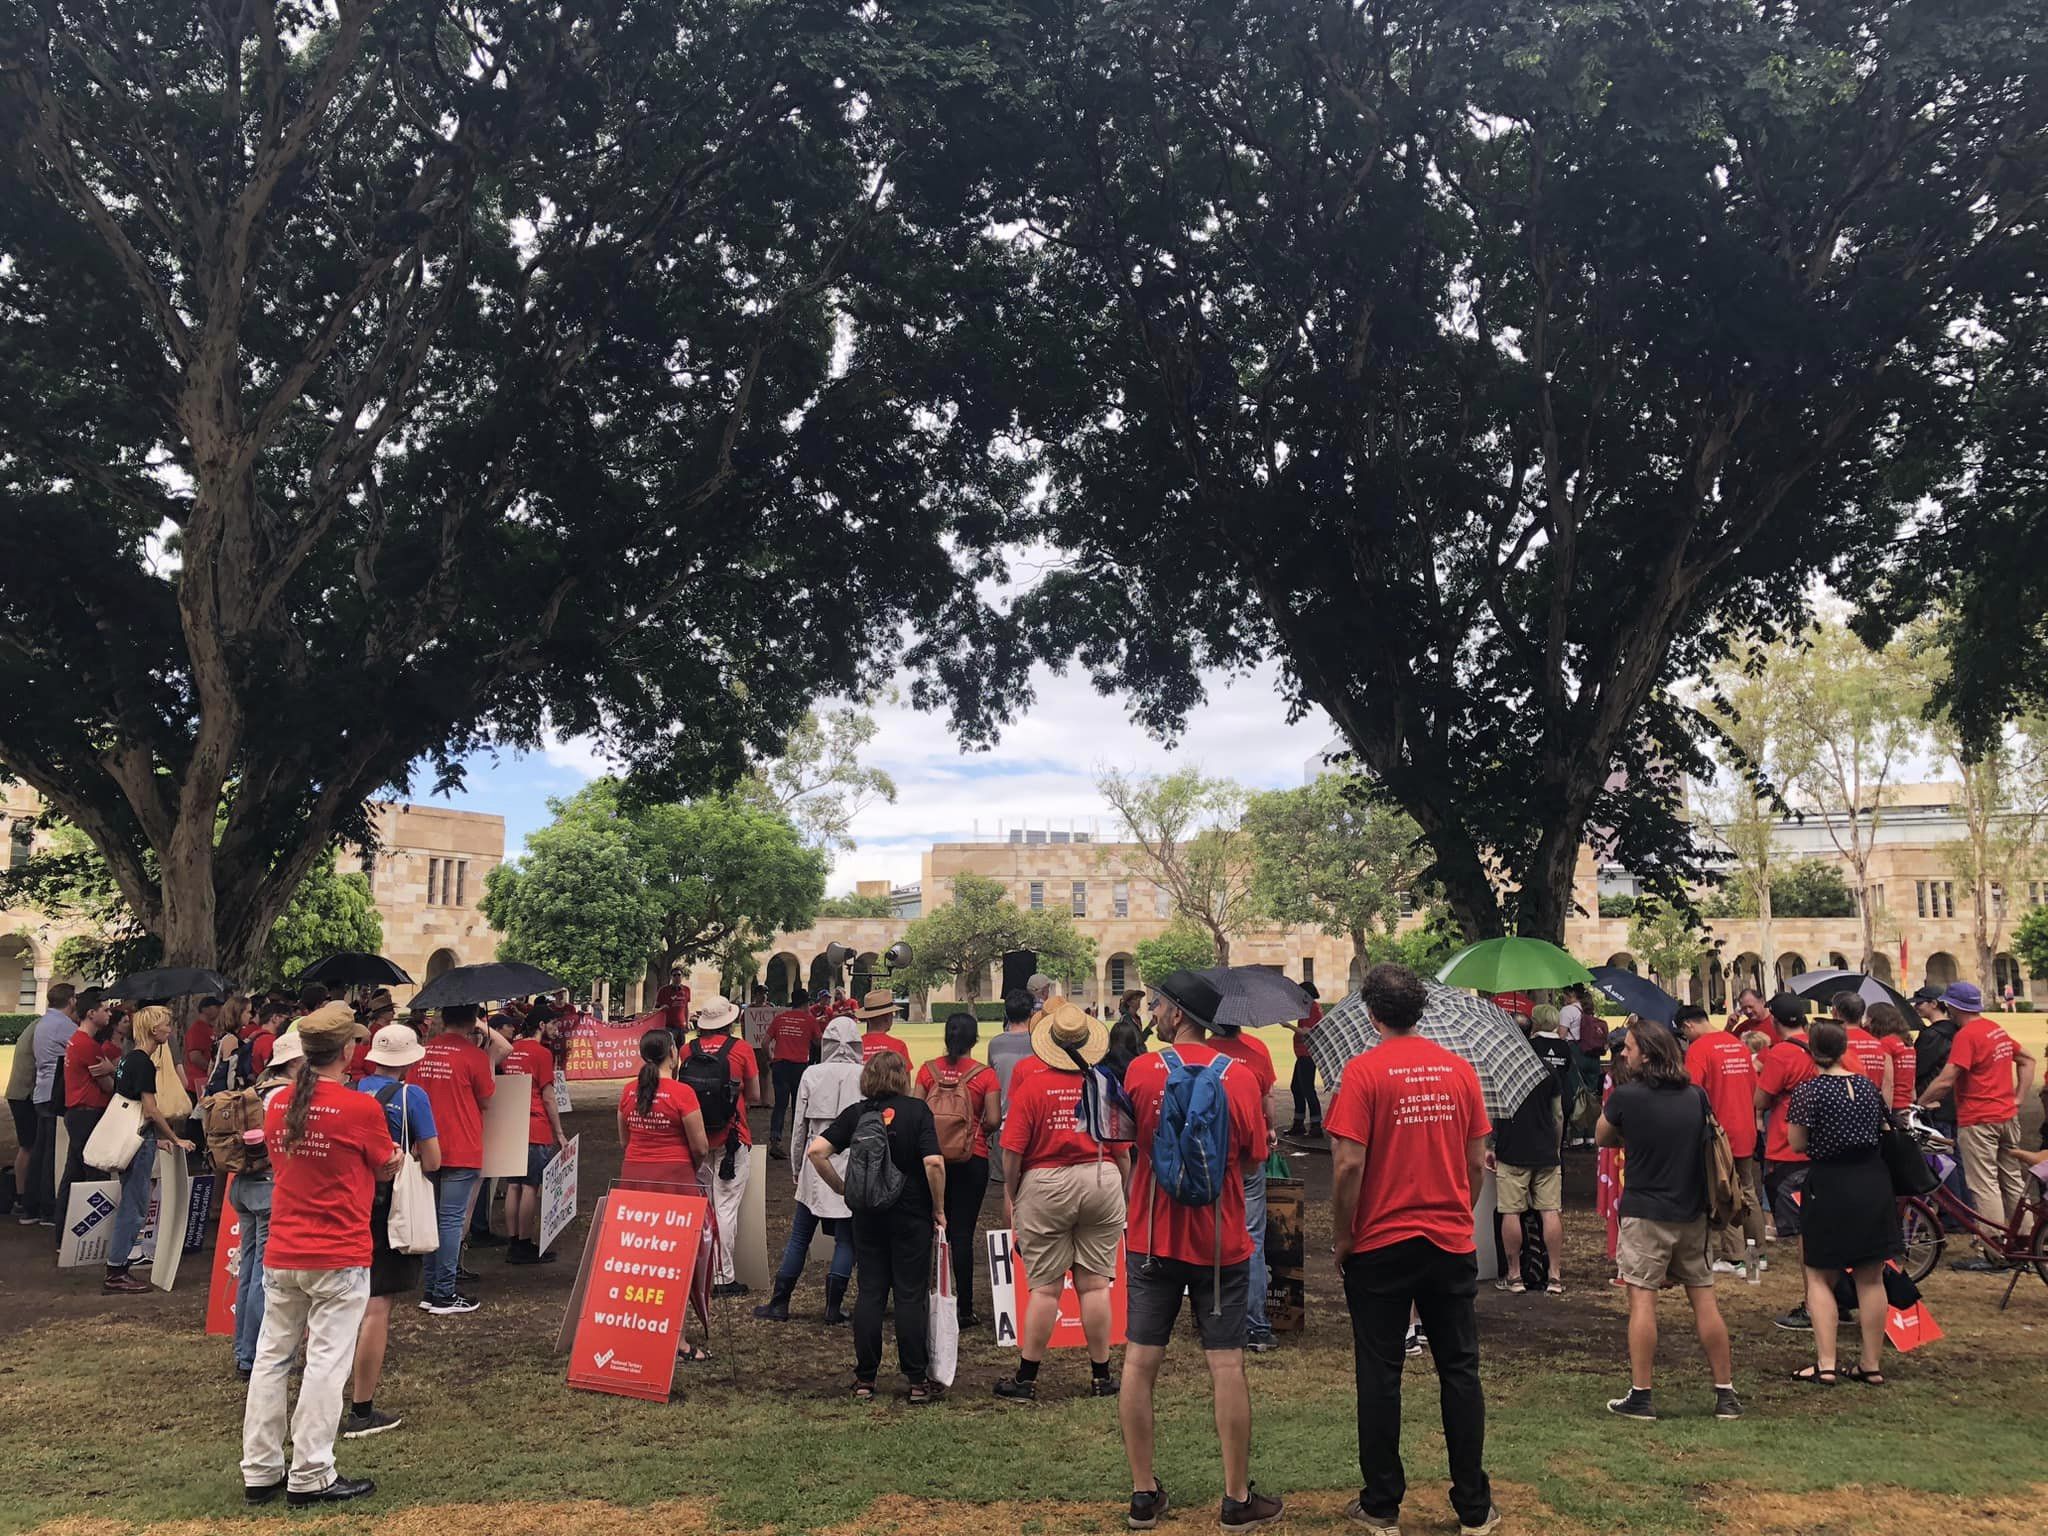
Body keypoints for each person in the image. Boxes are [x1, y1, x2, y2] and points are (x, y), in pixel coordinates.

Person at [1327, 963, 1498, 1536]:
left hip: (1379, 1241)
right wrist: (1458, 1209)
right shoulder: (1459, 1071)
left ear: (1371, 1014)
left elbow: (1349, 1162)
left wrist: (1344, 1233)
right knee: (1459, 1369)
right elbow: (1476, 1163)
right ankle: (1473, 1505)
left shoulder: (1363, 1072)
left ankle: (1381, 1505)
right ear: (1417, 1011)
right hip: (1448, 1239)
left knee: (1380, 1372)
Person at [1121, 971, 1282, 1535]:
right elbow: (1254, 1159)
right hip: (1221, 1242)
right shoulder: (1239, 1078)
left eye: (1159, 1005)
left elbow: (1130, 1143)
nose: (1154, 1013)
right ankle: (1236, 1498)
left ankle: (1144, 1493)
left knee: (1140, 1364)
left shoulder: (1142, 1071)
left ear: (1178, 1014)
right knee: (1227, 1365)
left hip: (1151, 1239)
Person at [240, 1003, 400, 1508]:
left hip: (285, 1248)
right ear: (348, 1050)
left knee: (271, 1359)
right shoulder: (360, 1108)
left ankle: (261, 1468)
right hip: (338, 1249)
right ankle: (311, 1471)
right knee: (326, 1363)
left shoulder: (279, 1102)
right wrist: (393, 1162)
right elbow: (381, 1165)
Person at [1597, 1018, 1741, 1422]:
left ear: (1647, 1053)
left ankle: (1641, 1395)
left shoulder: (1626, 1097)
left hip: (1645, 1212)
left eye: (1628, 1048)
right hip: (1692, 1210)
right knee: (1705, 1299)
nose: (1623, 1054)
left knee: (1642, 1300)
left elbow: (1602, 1136)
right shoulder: (1695, 1096)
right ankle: (1725, 1393)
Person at [995, 1000, 1130, 1401]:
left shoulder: (1033, 1084)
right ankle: (1101, 1376)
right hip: (1101, 1174)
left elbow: (1013, 1151)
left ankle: (1026, 1378)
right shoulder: (1104, 1082)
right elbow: (1122, 1149)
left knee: (1046, 1288)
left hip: (1047, 1180)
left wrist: (1012, 1193)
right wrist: (1121, 1189)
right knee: (1095, 1285)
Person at [807, 1050, 946, 1403]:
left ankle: (866, 1378)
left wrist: (843, 1189)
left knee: (870, 1293)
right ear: (902, 1077)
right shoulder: (918, 1111)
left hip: (867, 1215)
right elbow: (933, 1163)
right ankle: (916, 1380)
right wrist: (939, 1208)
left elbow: (816, 1152)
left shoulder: (858, 1113)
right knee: (909, 1295)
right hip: (911, 1216)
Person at [1785, 1019, 1900, 1385]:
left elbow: (1797, 1143)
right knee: (1871, 1276)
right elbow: (1885, 1130)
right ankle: (1871, 1363)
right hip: (1871, 1180)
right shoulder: (1866, 1087)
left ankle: (1827, 1362)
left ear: (1811, 1050)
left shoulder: (1809, 1092)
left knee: (1819, 1274)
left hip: (1830, 1182)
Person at [345, 1023, 442, 1438]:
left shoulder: (349, 1092)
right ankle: (361, 1408)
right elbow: (434, 1159)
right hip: (388, 1206)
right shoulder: (411, 1096)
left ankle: (324, 1395)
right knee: (376, 1306)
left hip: (350, 1199)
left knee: (338, 1304)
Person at [1918, 980, 2037, 1270]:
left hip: (1979, 1118)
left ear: (1954, 1007)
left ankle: (1995, 1249)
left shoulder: (1967, 1035)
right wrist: (2018, 1098)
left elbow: (1947, 1078)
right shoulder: (1994, 1029)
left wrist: (1921, 1102)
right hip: (2006, 1116)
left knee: (1983, 1183)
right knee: (2011, 1178)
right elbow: (2027, 1060)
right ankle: (2027, 1241)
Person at [758, 1017, 862, 1324]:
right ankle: (833, 1306)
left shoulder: (812, 1074)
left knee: (800, 1236)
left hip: (815, 1161)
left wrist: (796, 1165)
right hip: (849, 1163)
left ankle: (780, 1302)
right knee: (846, 1238)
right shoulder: (865, 1074)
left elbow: (799, 1125)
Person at [100, 1005, 197, 1294]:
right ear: (155, 1030)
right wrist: (173, 1137)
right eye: (167, 1025)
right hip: (139, 1140)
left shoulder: (129, 1060)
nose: (170, 1029)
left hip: (136, 1137)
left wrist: (157, 1139)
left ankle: (118, 1268)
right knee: (135, 1205)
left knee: (134, 1203)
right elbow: (151, 1109)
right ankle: (117, 1270)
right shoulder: (143, 1062)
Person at [914, 1012, 999, 1328]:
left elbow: (916, 1111)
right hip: (970, 1158)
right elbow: (993, 1118)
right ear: (974, 1040)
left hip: (931, 1159)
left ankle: (920, 1298)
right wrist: (975, 1133)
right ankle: (964, 1307)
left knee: (927, 1229)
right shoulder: (985, 1076)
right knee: (961, 1232)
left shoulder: (927, 1071)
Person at [231, 1032, 306, 1379]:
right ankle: (258, 1355)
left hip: (245, 1184)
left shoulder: (258, 1090)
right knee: (264, 1275)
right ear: (294, 1062)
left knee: (248, 1271)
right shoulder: (285, 1096)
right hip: (267, 1186)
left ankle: (244, 1352)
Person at [412, 1004, 495, 1316]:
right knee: (450, 1221)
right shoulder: (473, 1056)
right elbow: (486, 1099)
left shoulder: (421, 1053)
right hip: (463, 1144)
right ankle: (444, 1293)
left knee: (432, 1218)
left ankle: (431, 1288)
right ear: (472, 1021)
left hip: (427, 1143)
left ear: (443, 1019)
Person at [1678, 1004, 1768, 1275]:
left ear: (1688, 1026)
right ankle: (1756, 1257)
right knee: (1748, 1191)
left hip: (1718, 1133)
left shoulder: (1699, 1049)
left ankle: (1735, 1256)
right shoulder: (1737, 1045)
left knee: (1725, 1191)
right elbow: (1754, 1084)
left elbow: (1690, 1092)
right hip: (1745, 1127)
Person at [1207, 1018, 1279, 1352]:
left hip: (1211, 1157)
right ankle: (1256, 1326)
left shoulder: (1204, 1052)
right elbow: (1268, 1101)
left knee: (1211, 1235)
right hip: (1250, 1155)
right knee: (1251, 1239)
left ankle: (1216, 1316)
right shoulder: (1258, 1050)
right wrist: (1270, 1129)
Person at [686, 995, 761, 1295]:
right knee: (726, 1206)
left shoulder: (687, 1049)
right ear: (729, 1022)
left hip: (697, 1138)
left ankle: (698, 1268)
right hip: (732, 1136)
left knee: (703, 1205)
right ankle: (722, 1276)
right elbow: (754, 1094)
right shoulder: (740, 1050)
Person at [1754, 993, 1819, 1328]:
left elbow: (1761, 1097)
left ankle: (1815, 1303)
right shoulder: (1822, 1047)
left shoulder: (1782, 1053)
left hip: (1788, 1146)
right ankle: (1834, 1298)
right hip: (1821, 1146)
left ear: (1776, 1022)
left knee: (1807, 1234)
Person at [1493, 1007, 1566, 1294]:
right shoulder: (1547, 1068)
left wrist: (1490, 1144)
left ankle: (1514, 1275)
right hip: (1546, 1150)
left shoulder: (1501, 1069)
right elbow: (1558, 1114)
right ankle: (1555, 1275)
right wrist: (1556, 1145)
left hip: (1512, 1150)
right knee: (1550, 1211)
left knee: (1511, 1212)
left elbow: (1491, 1112)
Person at [496, 1014, 564, 1265]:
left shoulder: (509, 1049)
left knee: (513, 1184)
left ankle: (514, 1240)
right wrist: (559, 1132)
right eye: (555, 1023)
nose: (558, 1028)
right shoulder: (542, 1053)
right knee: (530, 1186)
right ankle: (524, 1243)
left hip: (510, 1122)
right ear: (542, 1024)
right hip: (534, 1123)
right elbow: (548, 1096)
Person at [56, 989, 118, 1236]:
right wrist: (114, 1069)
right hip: (87, 1113)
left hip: (79, 1112)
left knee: (74, 1173)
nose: (109, 1013)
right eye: (105, 1010)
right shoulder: (88, 1045)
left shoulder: (76, 1040)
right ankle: (93, 1234)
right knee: (94, 1172)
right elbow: (109, 1086)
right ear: (91, 1014)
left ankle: (64, 1233)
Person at [24, 982, 81, 1224]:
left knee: (40, 1150)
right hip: (54, 1092)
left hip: (42, 1091)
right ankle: (48, 1206)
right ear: (71, 1001)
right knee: (51, 1153)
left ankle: (32, 1204)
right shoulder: (64, 1025)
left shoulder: (44, 1022)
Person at [764, 986, 820, 1154]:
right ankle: (798, 1142)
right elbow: (819, 1042)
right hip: (799, 1067)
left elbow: (765, 1043)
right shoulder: (810, 1021)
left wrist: (770, 1059)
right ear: (805, 1004)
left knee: (780, 1105)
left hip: (780, 1065)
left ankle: (775, 1140)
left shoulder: (780, 1019)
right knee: (798, 1106)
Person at [1283, 983, 1323, 1138]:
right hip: (1302, 1054)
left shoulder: (1312, 1008)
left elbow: (1307, 1032)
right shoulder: (1310, 1007)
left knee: (1307, 1089)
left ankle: (1315, 1126)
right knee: (1297, 1087)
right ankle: (1299, 1123)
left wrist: (1289, 1026)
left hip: (1307, 1054)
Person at [1833, 993, 1892, 1098]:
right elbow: (1888, 1083)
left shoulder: (1833, 1042)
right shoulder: (1878, 1044)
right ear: (1861, 1014)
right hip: (1872, 1104)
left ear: (1835, 1012)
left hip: (1841, 1104)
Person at [856, 988, 913, 1066]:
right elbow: (905, 1077)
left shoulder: (855, 1046)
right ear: (887, 1017)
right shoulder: (898, 1046)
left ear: (867, 1017)